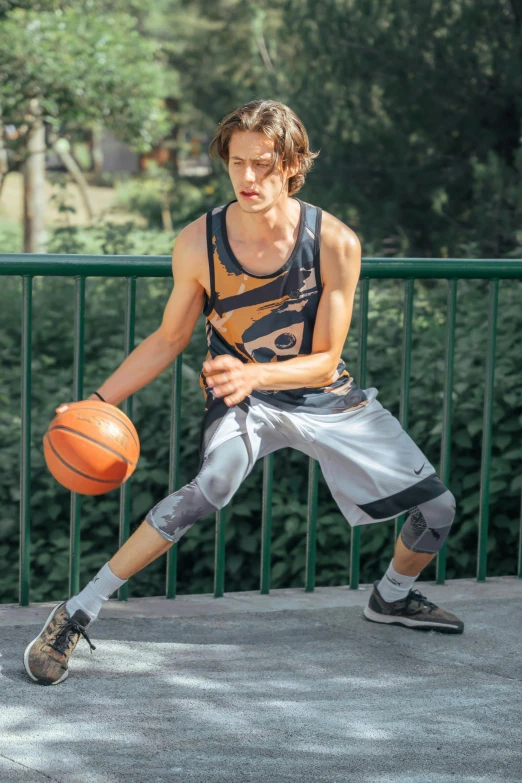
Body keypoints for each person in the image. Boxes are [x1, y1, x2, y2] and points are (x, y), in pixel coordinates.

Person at [24, 99, 462, 686]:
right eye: (237, 164)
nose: (248, 178)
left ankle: (392, 597)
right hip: (244, 399)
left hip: (318, 393)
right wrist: (98, 403)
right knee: (212, 485)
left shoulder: (334, 242)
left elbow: (324, 360)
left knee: (438, 508)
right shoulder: (198, 243)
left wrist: (255, 372)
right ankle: (79, 609)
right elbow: (168, 338)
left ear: (292, 165)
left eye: (263, 164)